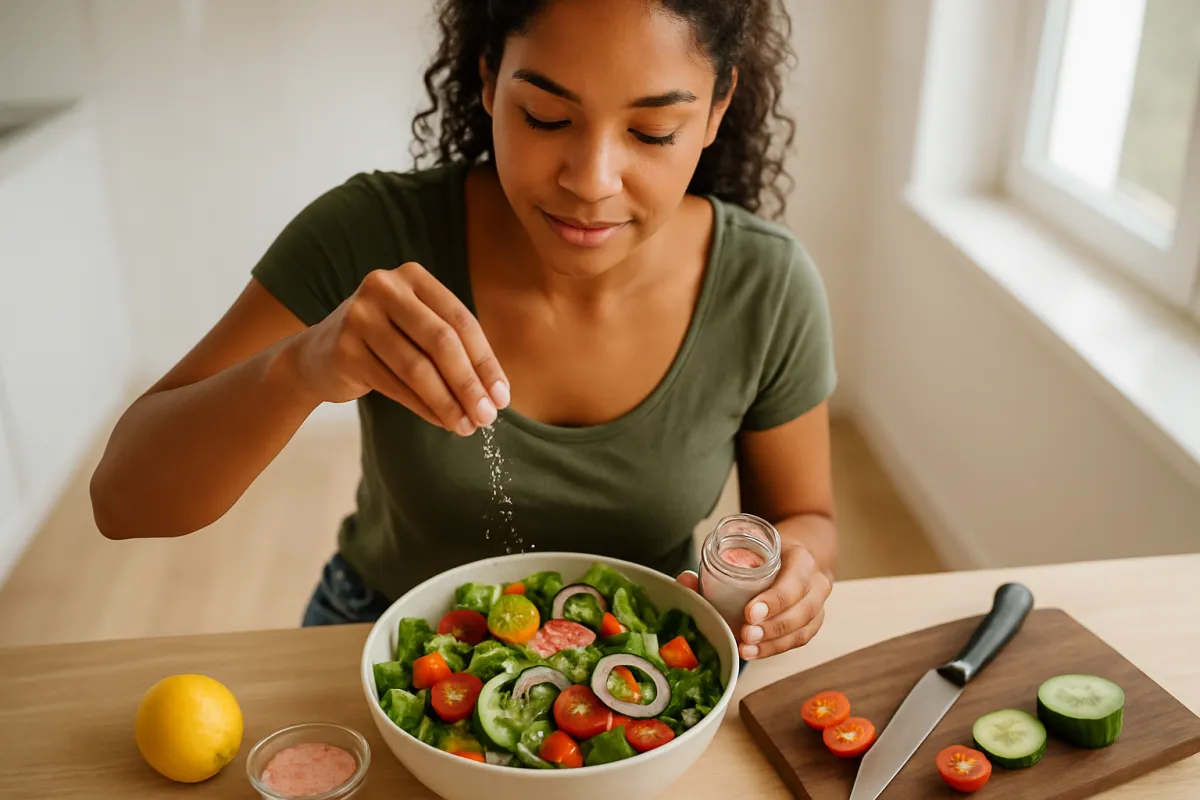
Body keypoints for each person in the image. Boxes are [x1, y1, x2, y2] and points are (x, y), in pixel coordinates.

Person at [89, 0, 838, 663]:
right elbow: (123, 503)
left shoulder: (766, 287)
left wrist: (795, 575)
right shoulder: (370, 234)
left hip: (638, 662)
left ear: (715, 110)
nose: (591, 178)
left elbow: (803, 518)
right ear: (488, 79)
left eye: (652, 131)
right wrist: (299, 367)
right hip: (375, 638)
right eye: (546, 117)